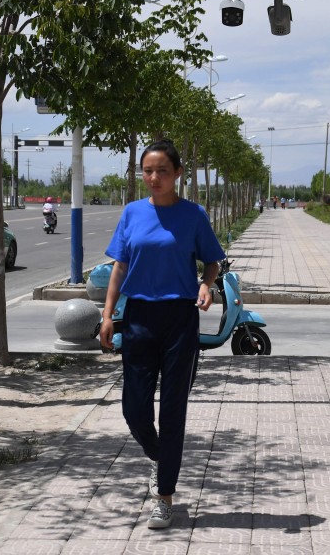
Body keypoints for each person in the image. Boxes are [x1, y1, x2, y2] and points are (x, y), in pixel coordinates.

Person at [99, 139, 226, 530]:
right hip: (137, 318)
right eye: (148, 171)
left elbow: (212, 262)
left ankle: (165, 497)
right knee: (134, 409)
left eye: (162, 171)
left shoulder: (194, 215)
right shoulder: (132, 213)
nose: (154, 178)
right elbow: (120, 266)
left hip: (179, 321)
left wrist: (206, 285)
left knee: (172, 411)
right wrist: (108, 315)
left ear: (178, 175)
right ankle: (159, 456)